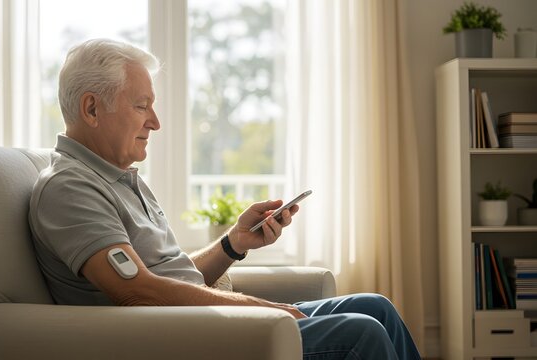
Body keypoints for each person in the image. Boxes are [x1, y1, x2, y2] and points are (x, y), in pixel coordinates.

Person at [28, 38, 421, 359]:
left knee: (376, 306)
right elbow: (137, 291)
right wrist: (264, 310)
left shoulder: (119, 177)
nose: (155, 121)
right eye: (142, 105)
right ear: (92, 108)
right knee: (361, 333)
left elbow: (174, 276)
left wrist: (234, 243)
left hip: (196, 323)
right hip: (177, 340)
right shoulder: (70, 187)